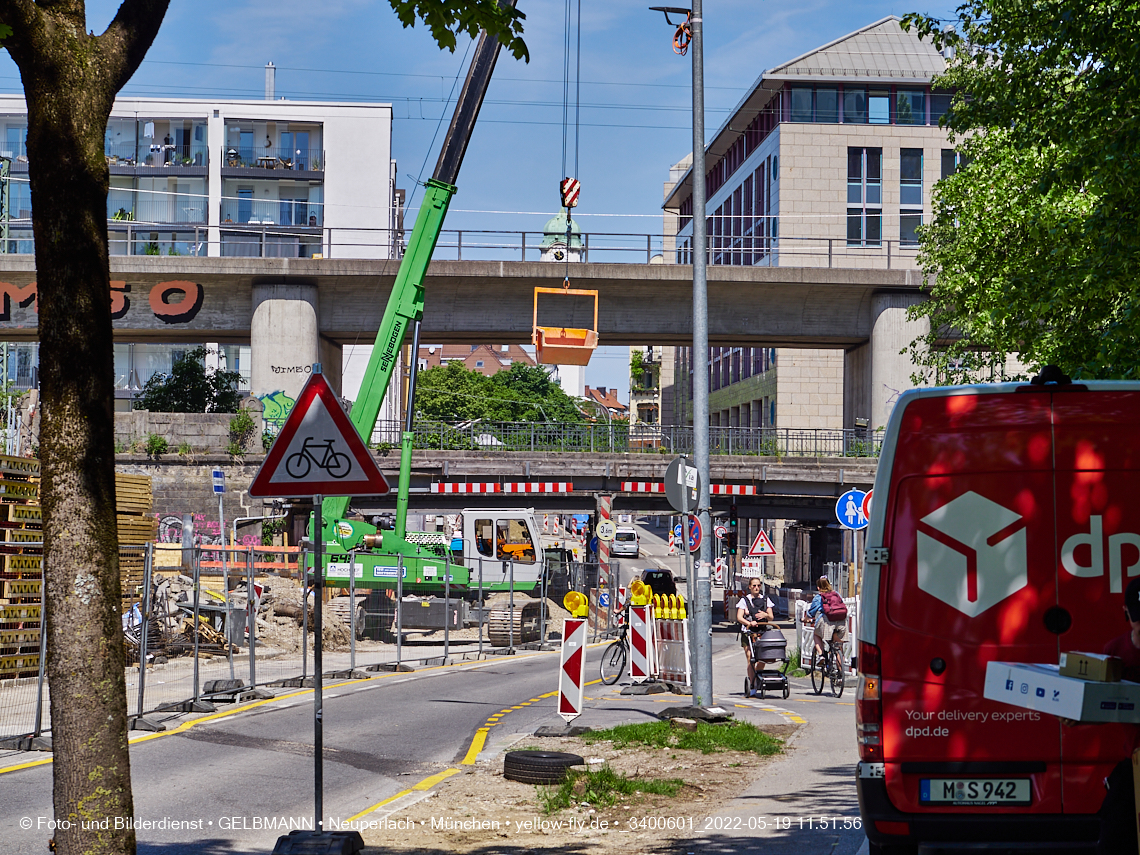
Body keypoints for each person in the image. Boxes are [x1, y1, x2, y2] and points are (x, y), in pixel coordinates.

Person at [1096, 576, 1140, 853]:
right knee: (1114, 831)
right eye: (1139, 617)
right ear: (1126, 612)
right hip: (1135, 759)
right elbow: (1098, 704)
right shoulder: (1114, 653)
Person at [737, 577, 775, 694]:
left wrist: (765, 615)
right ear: (749, 587)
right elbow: (739, 617)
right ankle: (752, 684)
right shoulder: (744, 600)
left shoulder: (765, 599)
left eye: (758, 585)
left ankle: (757, 676)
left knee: (763, 658)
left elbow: (771, 617)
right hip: (748, 632)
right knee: (751, 659)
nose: (756, 588)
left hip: (762, 631)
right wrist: (749, 623)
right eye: (754, 586)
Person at [806, 575, 847, 664]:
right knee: (839, 648)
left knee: (816, 635)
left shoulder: (819, 597)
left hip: (827, 622)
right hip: (841, 622)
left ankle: (821, 655)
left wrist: (805, 619)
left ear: (818, 587)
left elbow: (811, 613)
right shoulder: (836, 594)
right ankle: (841, 673)